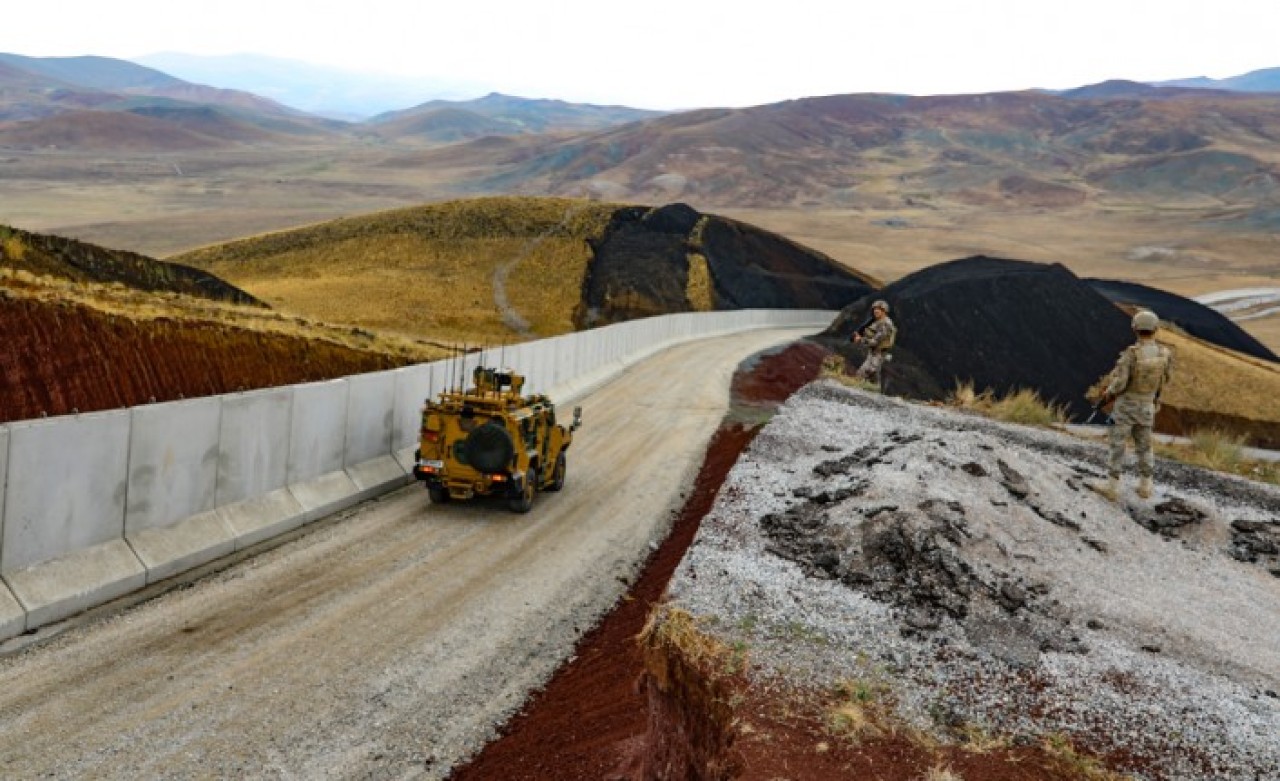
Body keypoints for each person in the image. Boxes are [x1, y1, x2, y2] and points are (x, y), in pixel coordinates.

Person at [1091, 309, 1174, 501]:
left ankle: (1112, 486)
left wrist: (1108, 394)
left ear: (1135, 329)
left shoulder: (1131, 354)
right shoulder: (1164, 353)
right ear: (1155, 329)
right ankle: (1145, 486)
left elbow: (1120, 383)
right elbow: (1166, 378)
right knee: (1144, 445)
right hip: (1147, 406)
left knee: (1117, 444)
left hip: (1126, 406)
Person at [852, 300, 896, 389]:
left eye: (879, 309)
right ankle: (873, 391)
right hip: (873, 353)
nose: (876, 311)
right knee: (872, 375)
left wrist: (860, 340)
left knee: (867, 372)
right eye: (875, 309)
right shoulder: (877, 322)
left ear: (884, 311)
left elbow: (875, 341)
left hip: (878, 353)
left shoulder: (885, 324)